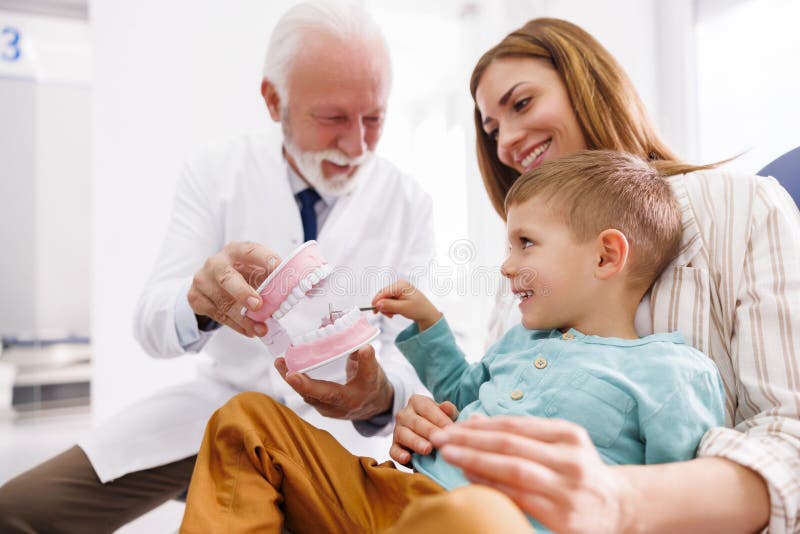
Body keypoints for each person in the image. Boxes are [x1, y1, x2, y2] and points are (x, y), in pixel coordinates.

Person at [0, 2, 434, 532]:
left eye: (375, 118)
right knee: (16, 513)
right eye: (333, 119)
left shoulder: (409, 203)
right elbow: (150, 323)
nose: (357, 145)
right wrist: (198, 302)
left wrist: (380, 397)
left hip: (336, 436)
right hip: (213, 412)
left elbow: (416, 355)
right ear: (274, 101)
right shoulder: (215, 173)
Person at [391, 17, 800, 533]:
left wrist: (618, 498)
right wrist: (434, 427)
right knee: (257, 429)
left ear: (588, 85)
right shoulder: (518, 292)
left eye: (521, 103)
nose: (507, 142)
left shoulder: (739, 205)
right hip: (440, 496)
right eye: (491, 130)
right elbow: (482, 394)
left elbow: (792, 439)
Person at [178, 150, 726, 533]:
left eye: (525, 243)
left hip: (485, 522)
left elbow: (682, 506)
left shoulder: (671, 373)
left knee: (475, 518)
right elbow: (461, 395)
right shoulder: (518, 342)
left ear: (606, 256)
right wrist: (428, 323)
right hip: (398, 500)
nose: (507, 265)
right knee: (246, 421)